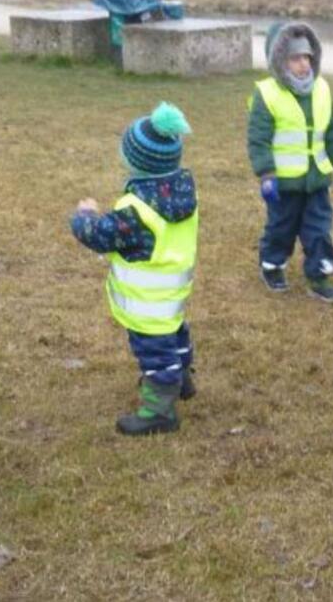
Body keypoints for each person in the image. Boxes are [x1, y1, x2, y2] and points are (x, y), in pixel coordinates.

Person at [71, 102, 198, 435]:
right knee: (176, 334)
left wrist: (84, 216)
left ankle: (160, 410)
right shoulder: (183, 192)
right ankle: (183, 379)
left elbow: (99, 236)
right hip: (171, 295)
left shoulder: (137, 209)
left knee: (155, 355)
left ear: (135, 162)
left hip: (146, 302)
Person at [248, 22, 333, 304]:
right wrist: (266, 175)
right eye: (295, 58)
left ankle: (319, 277)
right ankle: (272, 265)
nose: (304, 64)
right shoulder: (267, 94)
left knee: (319, 229)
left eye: (307, 56)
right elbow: (258, 139)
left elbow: (332, 130)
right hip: (283, 184)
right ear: (279, 61)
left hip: (316, 180)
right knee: (281, 228)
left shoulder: (322, 89)